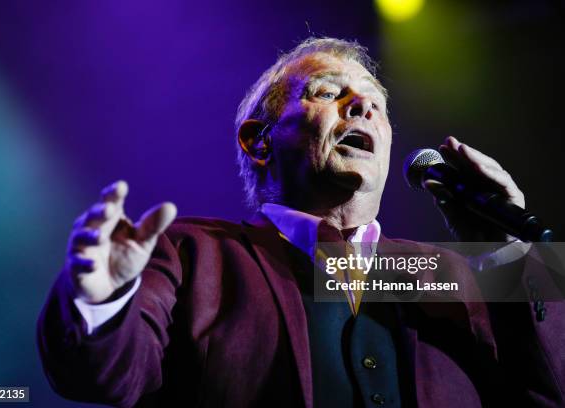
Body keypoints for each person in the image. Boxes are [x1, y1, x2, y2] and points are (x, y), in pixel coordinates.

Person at [37, 37, 565, 407]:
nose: (361, 106)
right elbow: (107, 376)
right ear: (259, 140)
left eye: (376, 104)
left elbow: (549, 391)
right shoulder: (192, 253)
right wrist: (100, 303)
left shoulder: (449, 273)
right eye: (329, 92)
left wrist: (511, 256)